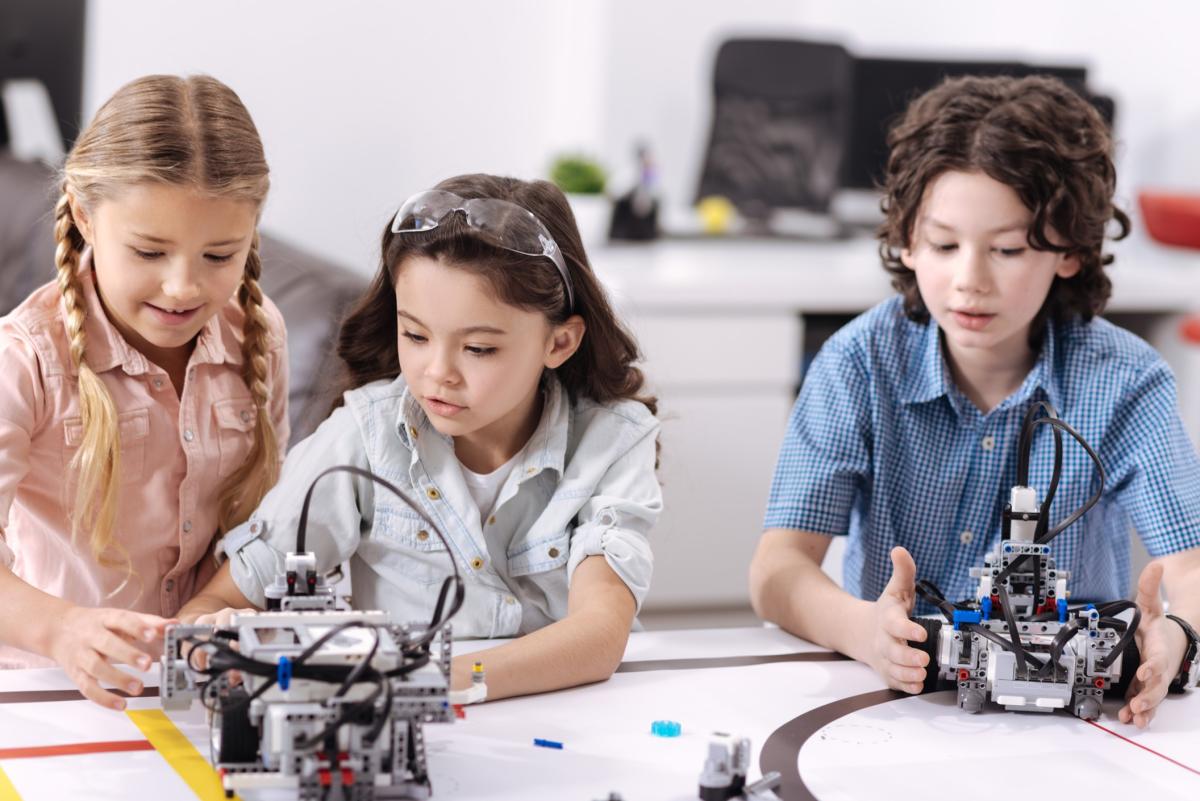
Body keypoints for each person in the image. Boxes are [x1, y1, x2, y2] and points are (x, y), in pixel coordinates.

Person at [749, 75, 1200, 728]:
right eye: (943, 244)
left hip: (1062, 726)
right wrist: (863, 630)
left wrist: (1178, 633)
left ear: (1070, 250)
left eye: (1008, 249)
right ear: (907, 240)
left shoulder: (1125, 381)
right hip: (896, 712)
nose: (970, 280)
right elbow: (777, 569)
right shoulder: (858, 364)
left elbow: (1189, 563)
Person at [180, 174, 661, 701]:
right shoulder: (363, 435)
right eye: (414, 335)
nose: (438, 373)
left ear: (560, 342)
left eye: (478, 349)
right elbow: (216, 603)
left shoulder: (613, 439)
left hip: (573, 723)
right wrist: (212, 636)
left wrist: (409, 679)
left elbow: (598, 636)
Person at [0, 75, 288, 710]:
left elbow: (261, 523)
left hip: (197, 691)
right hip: (46, 694)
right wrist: (61, 630)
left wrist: (220, 606)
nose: (183, 287)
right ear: (84, 216)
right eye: (150, 252)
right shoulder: (24, 359)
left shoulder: (260, 334)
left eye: (219, 256)